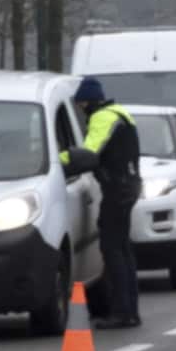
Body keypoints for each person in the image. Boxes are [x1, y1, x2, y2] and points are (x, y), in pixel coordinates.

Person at [62, 77, 143, 330]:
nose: (80, 109)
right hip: (128, 186)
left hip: (117, 189)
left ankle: (121, 313)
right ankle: (131, 311)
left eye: (81, 104)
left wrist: (58, 160)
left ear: (87, 101)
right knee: (123, 249)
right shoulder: (121, 114)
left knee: (112, 249)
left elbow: (89, 152)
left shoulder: (102, 117)